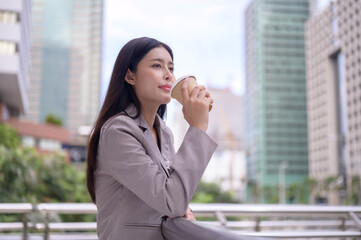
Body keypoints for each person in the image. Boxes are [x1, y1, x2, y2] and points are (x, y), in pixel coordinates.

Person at [86, 37, 217, 239]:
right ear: (130, 76)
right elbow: (171, 201)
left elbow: (171, 194)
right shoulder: (117, 131)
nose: (168, 75)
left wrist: (182, 209)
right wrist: (198, 128)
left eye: (171, 68)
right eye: (157, 65)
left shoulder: (164, 132)